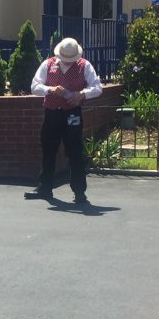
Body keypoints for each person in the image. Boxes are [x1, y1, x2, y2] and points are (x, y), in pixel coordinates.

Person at [26, 37, 103, 205]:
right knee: (48, 150)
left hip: (72, 113)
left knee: (75, 152)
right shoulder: (47, 64)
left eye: (71, 58)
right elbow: (34, 87)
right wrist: (50, 89)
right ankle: (45, 188)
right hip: (52, 113)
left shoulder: (84, 65)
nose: (68, 61)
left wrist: (82, 94)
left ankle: (79, 192)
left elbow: (97, 88)